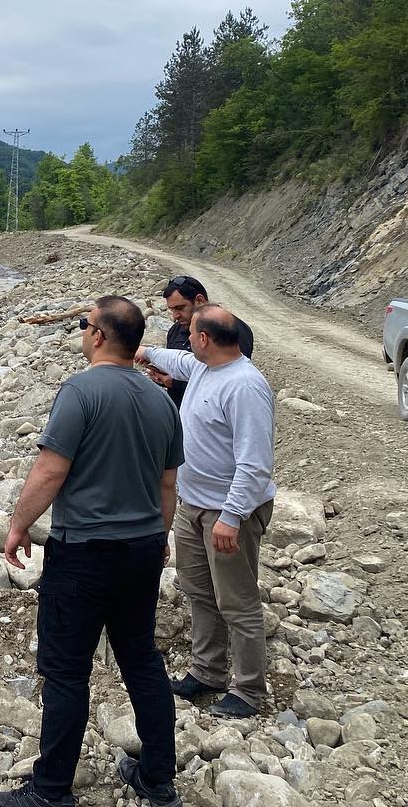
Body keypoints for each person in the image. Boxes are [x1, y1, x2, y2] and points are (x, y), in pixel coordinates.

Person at [0, 296, 184, 807]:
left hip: (84, 553)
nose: (82, 334)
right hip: (142, 550)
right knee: (141, 660)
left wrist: (18, 525)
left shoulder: (80, 391)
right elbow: (169, 486)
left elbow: (51, 471)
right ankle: (157, 778)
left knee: (66, 672)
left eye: (85, 326)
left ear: (98, 335)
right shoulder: (161, 400)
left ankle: (52, 790)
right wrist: (159, 539)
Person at [137, 304, 275, 719]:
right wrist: (142, 352)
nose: (186, 339)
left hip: (227, 511)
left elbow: (255, 464)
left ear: (205, 339)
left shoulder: (245, 386)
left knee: (237, 600)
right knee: (198, 590)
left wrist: (232, 517)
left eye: (191, 332)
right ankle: (207, 671)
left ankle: (249, 691)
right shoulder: (204, 368)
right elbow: (175, 361)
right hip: (192, 503)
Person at [148, 276, 254, 408]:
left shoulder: (232, 329)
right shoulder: (176, 331)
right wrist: (161, 376)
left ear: (199, 300)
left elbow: (229, 380)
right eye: (172, 309)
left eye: (180, 308)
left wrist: (174, 383)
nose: (175, 316)